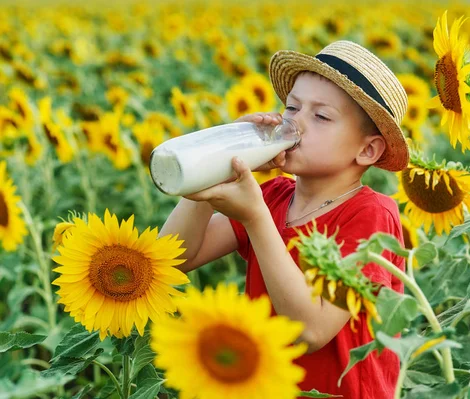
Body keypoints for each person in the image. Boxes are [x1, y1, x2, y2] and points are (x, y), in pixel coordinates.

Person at [159, 40, 410, 398]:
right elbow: (174, 258)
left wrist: (256, 217)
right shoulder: (276, 195)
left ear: (367, 150)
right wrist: (220, 163)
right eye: (292, 107)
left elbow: (310, 331)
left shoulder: (371, 215)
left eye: (321, 116)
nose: (296, 123)